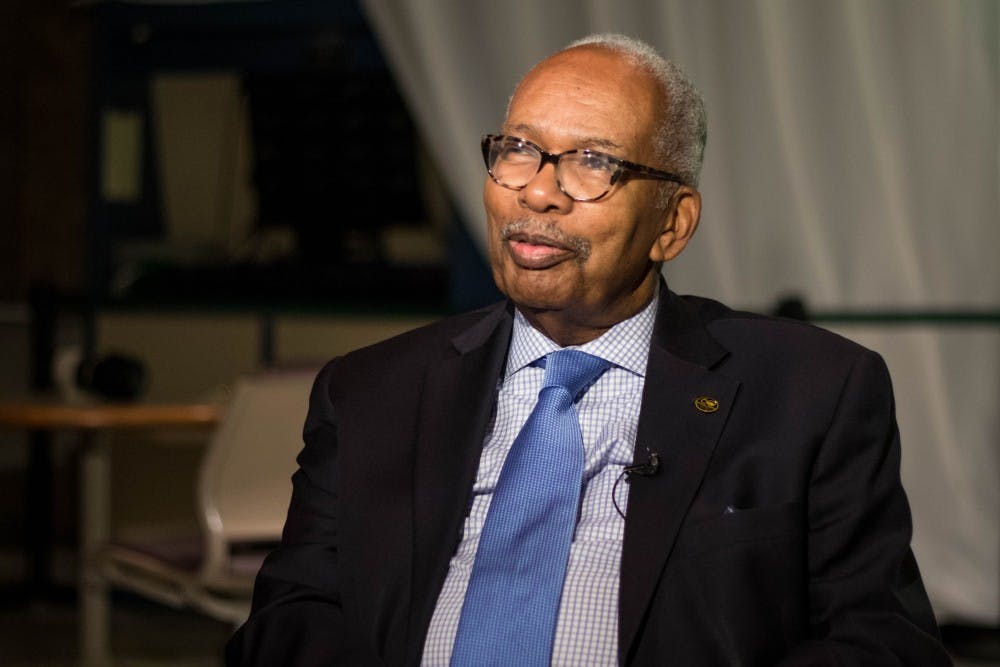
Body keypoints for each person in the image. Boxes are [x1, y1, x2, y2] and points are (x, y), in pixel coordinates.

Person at [226, 34, 950, 666]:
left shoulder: (810, 393)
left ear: (672, 223)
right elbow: (289, 619)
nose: (538, 192)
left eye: (594, 162)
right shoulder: (371, 391)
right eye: (518, 149)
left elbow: (884, 642)